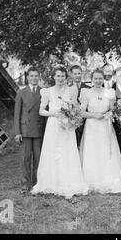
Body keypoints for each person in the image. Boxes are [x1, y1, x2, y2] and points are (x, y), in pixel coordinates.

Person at [31, 66, 88, 199]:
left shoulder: (71, 90)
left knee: (68, 152)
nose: (60, 78)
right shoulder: (47, 91)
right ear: (54, 77)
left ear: (66, 77)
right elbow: (41, 111)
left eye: (63, 76)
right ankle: (52, 182)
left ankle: (69, 182)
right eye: (58, 76)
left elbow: (76, 107)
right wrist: (54, 114)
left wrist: (75, 114)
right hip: (53, 126)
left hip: (67, 127)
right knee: (53, 152)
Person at [79, 69, 121, 193]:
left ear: (103, 79)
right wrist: (94, 115)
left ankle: (108, 179)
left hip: (105, 126)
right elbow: (81, 112)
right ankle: (92, 180)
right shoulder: (87, 92)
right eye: (95, 78)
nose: (98, 81)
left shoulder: (109, 92)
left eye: (100, 78)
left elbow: (113, 109)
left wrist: (108, 114)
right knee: (93, 151)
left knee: (106, 151)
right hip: (92, 126)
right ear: (92, 79)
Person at [14, 67, 45, 193]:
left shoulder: (43, 92)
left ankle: (37, 183)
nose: (34, 78)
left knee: (38, 158)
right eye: (31, 76)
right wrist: (17, 132)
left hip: (38, 129)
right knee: (25, 158)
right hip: (25, 130)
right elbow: (17, 114)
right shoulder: (21, 92)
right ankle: (25, 185)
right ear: (27, 77)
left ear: (39, 77)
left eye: (36, 76)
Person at [69, 65, 90, 147]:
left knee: (84, 145)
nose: (77, 75)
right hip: (71, 121)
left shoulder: (88, 88)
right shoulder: (67, 88)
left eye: (79, 73)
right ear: (71, 75)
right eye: (75, 73)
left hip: (85, 121)